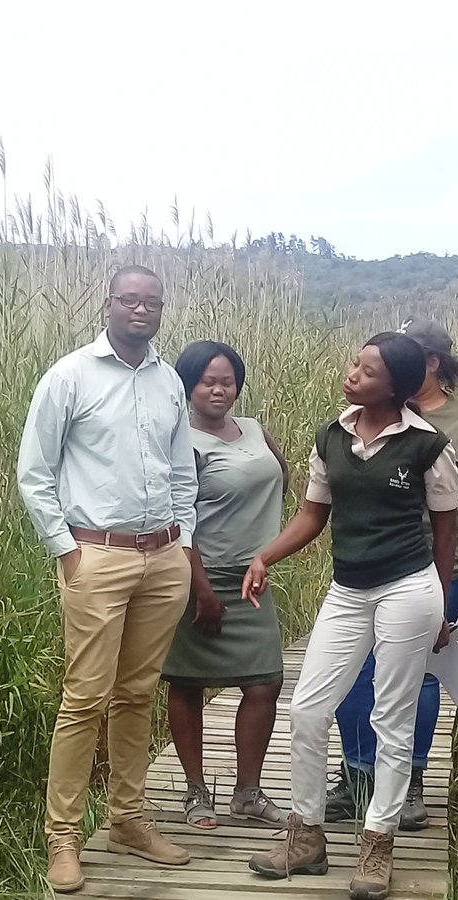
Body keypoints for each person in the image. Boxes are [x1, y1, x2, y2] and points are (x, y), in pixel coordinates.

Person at [244, 332, 458, 900]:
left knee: (392, 718)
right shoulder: (330, 437)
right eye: (354, 364)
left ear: (397, 386)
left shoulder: (428, 445)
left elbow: (445, 530)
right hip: (348, 590)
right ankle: (306, 837)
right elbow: (313, 515)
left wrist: (439, 602)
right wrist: (264, 555)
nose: (353, 374)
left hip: (408, 590)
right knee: (308, 710)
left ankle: (377, 843)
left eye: (367, 370)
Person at [16, 264, 197, 894]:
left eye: (152, 301)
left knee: (137, 693)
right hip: (97, 556)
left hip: (163, 558)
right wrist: (65, 551)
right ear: (108, 303)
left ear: (161, 309)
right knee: (84, 697)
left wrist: (185, 542)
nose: (141, 310)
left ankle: (128, 821)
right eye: (130, 299)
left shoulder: (169, 379)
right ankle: (62, 838)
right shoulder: (70, 376)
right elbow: (34, 471)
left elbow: (182, 472)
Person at [325, 318, 458, 831]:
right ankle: (358, 777)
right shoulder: (372, 416)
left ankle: (409, 781)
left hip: (442, 566)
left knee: (421, 671)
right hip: (372, 566)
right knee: (359, 671)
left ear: (430, 363)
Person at [160, 341, 290, 830]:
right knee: (188, 682)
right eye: (207, 381)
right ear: (187, 386)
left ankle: (248, 793)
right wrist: (202, 591)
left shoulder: (254, 430)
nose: (218, 389)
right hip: (200, 575)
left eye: (228, 380)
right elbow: (178, 517)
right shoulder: (181, 441)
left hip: (251, 577)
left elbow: (282, 475)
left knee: (265, 683)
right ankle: (196, 793)